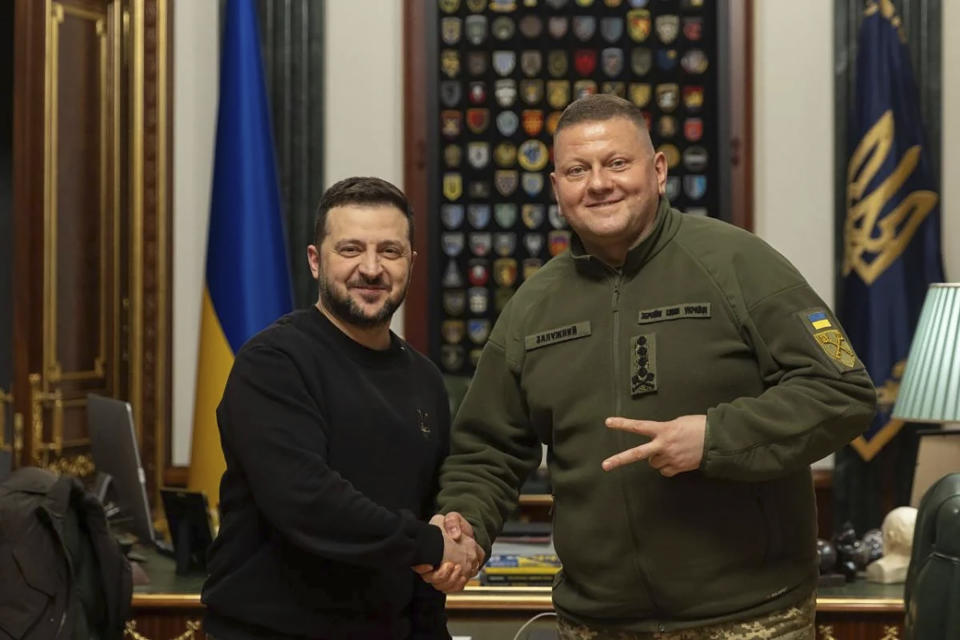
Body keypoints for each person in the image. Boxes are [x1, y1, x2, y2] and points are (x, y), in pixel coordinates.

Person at [422, 95, 878, 639]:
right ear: (556, 188)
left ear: (657, 171)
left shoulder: (739, 264)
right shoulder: (532, 306)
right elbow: (487, 448)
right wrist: (463, 523)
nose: (598, 184)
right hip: (596, 623)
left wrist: (715, 438)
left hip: (749, 618)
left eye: (617, 163)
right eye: (577, 170)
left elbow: (841, 390)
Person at [202, 177, 480, 640]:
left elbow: (425, 510)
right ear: (316, 260)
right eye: (350, 249)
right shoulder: (273, 363)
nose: (370, 269)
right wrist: (430, 544)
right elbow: (307, 502)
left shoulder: (425, 378)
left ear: (410, 263)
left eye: (389, 252)